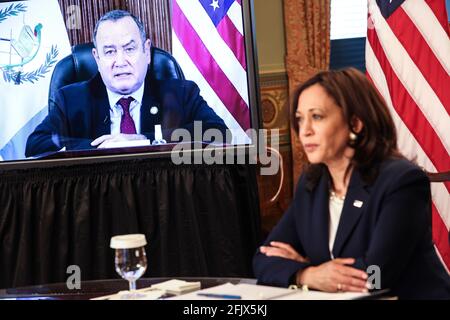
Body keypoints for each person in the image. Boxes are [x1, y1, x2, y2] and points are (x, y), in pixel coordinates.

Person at [253, 68, 450, 299]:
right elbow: (263, 259)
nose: (304, 131)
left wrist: (320, 271)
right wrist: (307, 274)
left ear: (355, 124)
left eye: (317, 116)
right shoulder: (312, 184)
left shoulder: (401, 181)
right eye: (299, 119)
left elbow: (377, 275)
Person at [25, 10, 227, 157]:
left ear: (146, 51)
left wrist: (145, 141)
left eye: (129, 49)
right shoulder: (71, 100)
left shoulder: (182, 94)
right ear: (97, 58)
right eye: (110, 52)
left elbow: (219, 133)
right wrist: (101, 148)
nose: (120, 62)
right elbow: (36, 145)